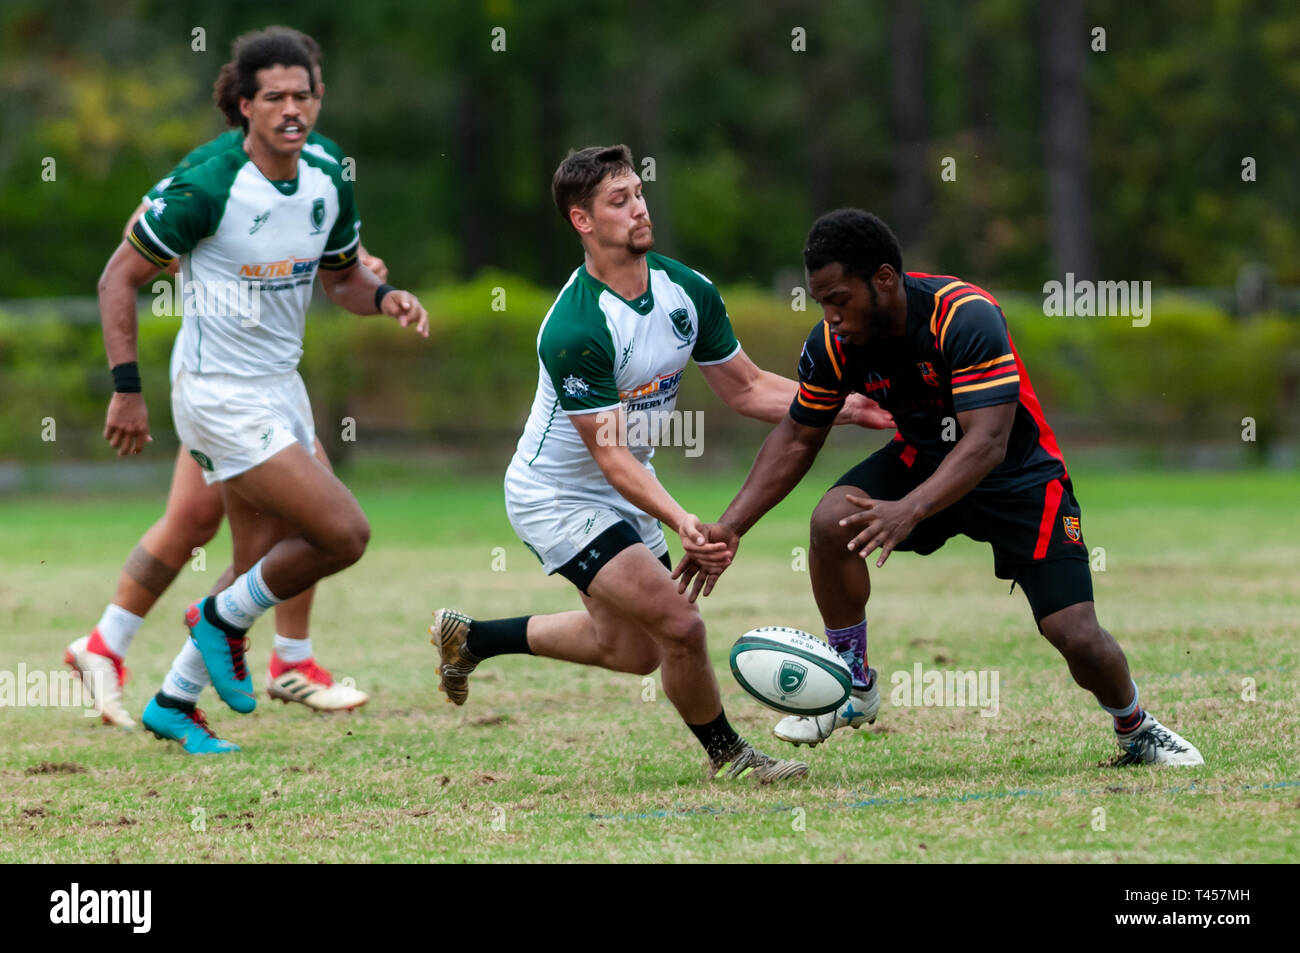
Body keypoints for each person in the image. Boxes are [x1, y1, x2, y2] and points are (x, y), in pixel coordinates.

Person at [673, 208, 1203, 767]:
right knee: (833, 521)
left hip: (1020, 477)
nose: (830, 316)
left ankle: (1135, 728)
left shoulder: (963, 317)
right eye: (821, 302)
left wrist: (909, 510)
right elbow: (798, 438)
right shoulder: (834, 345)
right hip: (925, 458)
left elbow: (987, 442)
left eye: (838, 299)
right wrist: (730, 528)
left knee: (1074, 634)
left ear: (883, 279)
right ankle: (853, 681)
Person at [428, 147, 893, 783]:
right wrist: (683, 521)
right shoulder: (576, 326)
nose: (639, 208)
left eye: (639, 193)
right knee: (681, 625)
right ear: (582, 221)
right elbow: (611, 454)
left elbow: (747, 387)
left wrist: (843, 405)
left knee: (635, 650)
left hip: (627, 491)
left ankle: (474, 638)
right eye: (619, 201)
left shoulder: (687, 290)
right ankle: (733, 759)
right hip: (557, 497)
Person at [97, 28, 429, 753]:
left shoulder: (327, 172)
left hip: (281, 387)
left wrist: (386, 295)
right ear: (244, 105)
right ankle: (214, 622)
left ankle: (174, 701)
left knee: (255, 565)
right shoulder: (209, 183)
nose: (291, 109)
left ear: (318, 100)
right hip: (217, 392)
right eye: (274, 97)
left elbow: (342, 277)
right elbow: (118, 277)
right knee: (341, 532)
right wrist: (127, 390)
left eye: (302, 95)